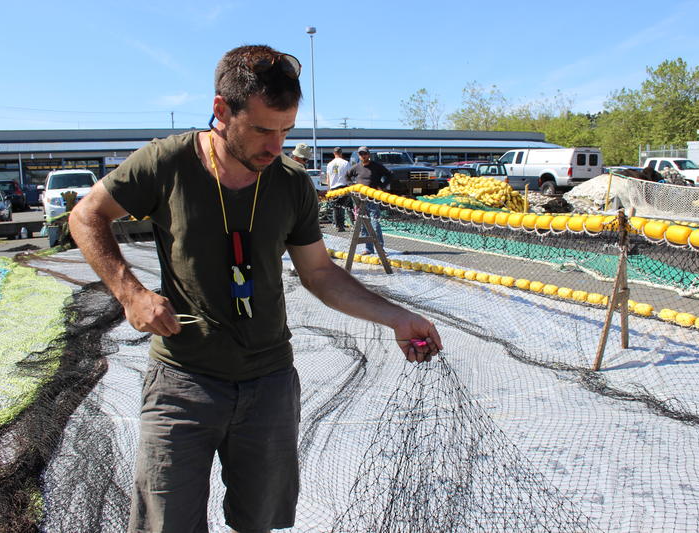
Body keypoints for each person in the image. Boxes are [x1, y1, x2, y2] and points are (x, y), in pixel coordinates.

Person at [68, 44, 441, 533]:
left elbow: (320, 273)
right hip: (181, 381)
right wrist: (130, 293)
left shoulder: (291, 183)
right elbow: (86, 215)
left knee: (259, 522)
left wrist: (398, 317)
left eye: (286, 131)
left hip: (269, 384)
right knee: (166, 523)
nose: (276, 146)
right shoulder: (166, 162)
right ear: (222, 111)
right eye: (263, 130)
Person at [345, 147, 393, 254]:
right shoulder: (356, 167)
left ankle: (380, 248)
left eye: (365, 154)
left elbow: (389, 174)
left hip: (373, 199)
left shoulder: (376, 166)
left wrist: (382, 186)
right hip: (360, 200)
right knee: (364, 225)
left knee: (375, 223)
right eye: (361, 154)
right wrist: (352, 186)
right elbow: (347, 176)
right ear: (359, 156)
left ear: (368, 154)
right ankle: (368, 248)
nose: (363, 156)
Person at [326, 146, 351, 231]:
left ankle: (337, 225)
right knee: (346, 206)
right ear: (341, 153)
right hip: (343, 186)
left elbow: (328, 178)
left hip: (333, 187)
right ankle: (347, 223)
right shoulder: (346, 163)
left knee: (336, 207)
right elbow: (348, 176)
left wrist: (329, 189)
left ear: (334, 153)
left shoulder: (329, 164)